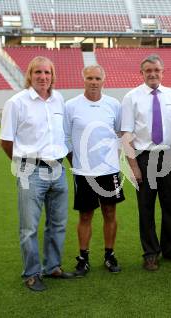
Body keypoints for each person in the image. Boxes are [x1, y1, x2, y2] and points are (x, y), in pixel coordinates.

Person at [0, 56, 74, 292]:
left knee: (58, 223)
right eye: (38, 72)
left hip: (58, 170)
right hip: (30, 170)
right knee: (29, 227)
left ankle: (53, 267)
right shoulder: (16, 102)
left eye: (47, 73)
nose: (43, 77)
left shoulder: (58, 99)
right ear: (29, 75)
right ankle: (32, 273)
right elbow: (5, 141)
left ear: (53, 76)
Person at [121, 54, 171, 271]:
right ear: (142, 73)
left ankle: (170, 248)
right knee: (146, 207)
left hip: (169, 156)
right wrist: (133, 167)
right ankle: (151, 253)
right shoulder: (131, 98)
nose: (153, 74)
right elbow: (126, 134)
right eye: (148, 70)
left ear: (163, 72)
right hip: (144, 158)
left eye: (156, 70)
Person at [64, 65, 125, 277]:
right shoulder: (71, 106)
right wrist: (76, 161)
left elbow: (120, 133)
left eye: (97, 78)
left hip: (109, 170)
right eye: (89, 78)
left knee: (110, 212)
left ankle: (109, 255)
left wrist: (112, 159)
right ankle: (83, 258)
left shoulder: (113, 104)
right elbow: (65, 138)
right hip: (84, 172)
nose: (93, 82)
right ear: (83, 79)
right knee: (86, 215)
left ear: (103, 80)